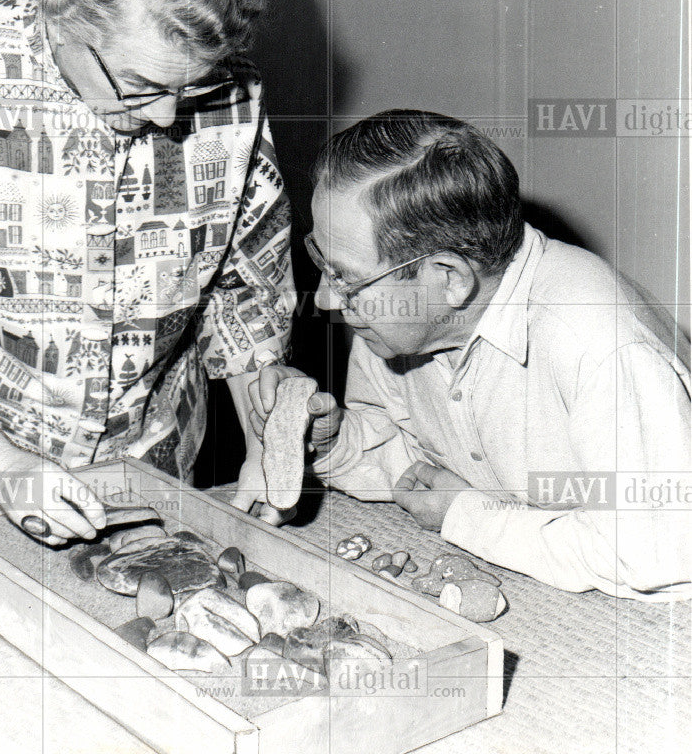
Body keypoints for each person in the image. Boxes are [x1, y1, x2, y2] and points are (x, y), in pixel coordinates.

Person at [245, 110, 691, 600]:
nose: (328, 299)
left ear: (450, 279)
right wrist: (328, 444)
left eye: (347, 278)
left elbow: (657, 556)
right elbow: (412, 470)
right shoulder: (401, 321)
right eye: (324, 265)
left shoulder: (601, 346)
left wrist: (465, 516)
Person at [0, 0, 295, 543]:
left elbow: (243, 290)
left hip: (153, 464)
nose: (164, 118)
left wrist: (266, 428)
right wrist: (3, 466)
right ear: (60, 9)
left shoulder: (231, 96)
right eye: (142, 86)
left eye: (190, 89)